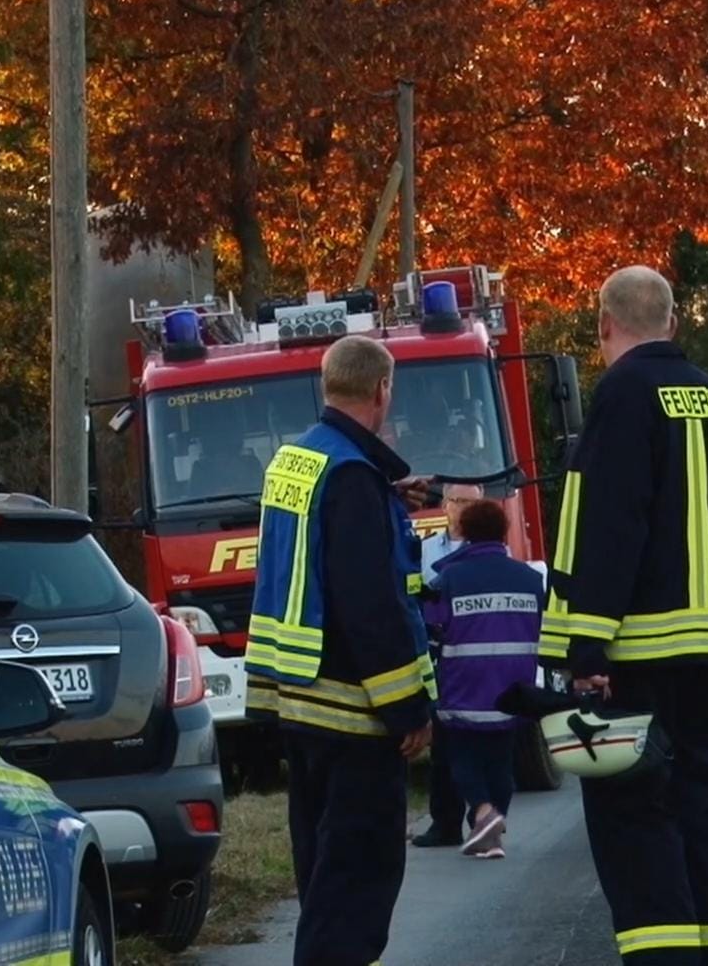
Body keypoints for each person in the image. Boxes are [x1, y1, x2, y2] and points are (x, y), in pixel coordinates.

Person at [541, 265, 708, 965]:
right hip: (706, 645)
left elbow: (610, 522)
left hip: (637, 648)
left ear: (604, 326)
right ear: (674, 323)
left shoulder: (622, 392)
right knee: (699, 812)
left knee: (633, 821)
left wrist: (586, 646)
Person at [244, 335, 435, 966]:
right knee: (356, 886)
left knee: (323, 876)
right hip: (354, 712)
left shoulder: (296, 460)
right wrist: (407, 707)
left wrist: (386, 494)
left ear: (326, 386)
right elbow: (368, 603)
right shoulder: (352, 475)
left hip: (300, 705)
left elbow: (311, 554)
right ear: (382, 390)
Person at [423, 498, 544, 859]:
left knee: (463, 757)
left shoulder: (449, 577)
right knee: (501, 761)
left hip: (464, 684)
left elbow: (431, 629)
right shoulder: (530, 579)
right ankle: (492, 835)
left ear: (465, 533)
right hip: (514, 686)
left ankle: (482, 812)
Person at [412, 482, 484, 849]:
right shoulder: (422, 552)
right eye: (458, 501)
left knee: (478, 743)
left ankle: (482, 822)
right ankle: (445, 824)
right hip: (437, 657)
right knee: (443, 745)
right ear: (444, 505)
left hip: (475, 658)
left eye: (473, 503)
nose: (465, 509)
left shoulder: (492, 551)